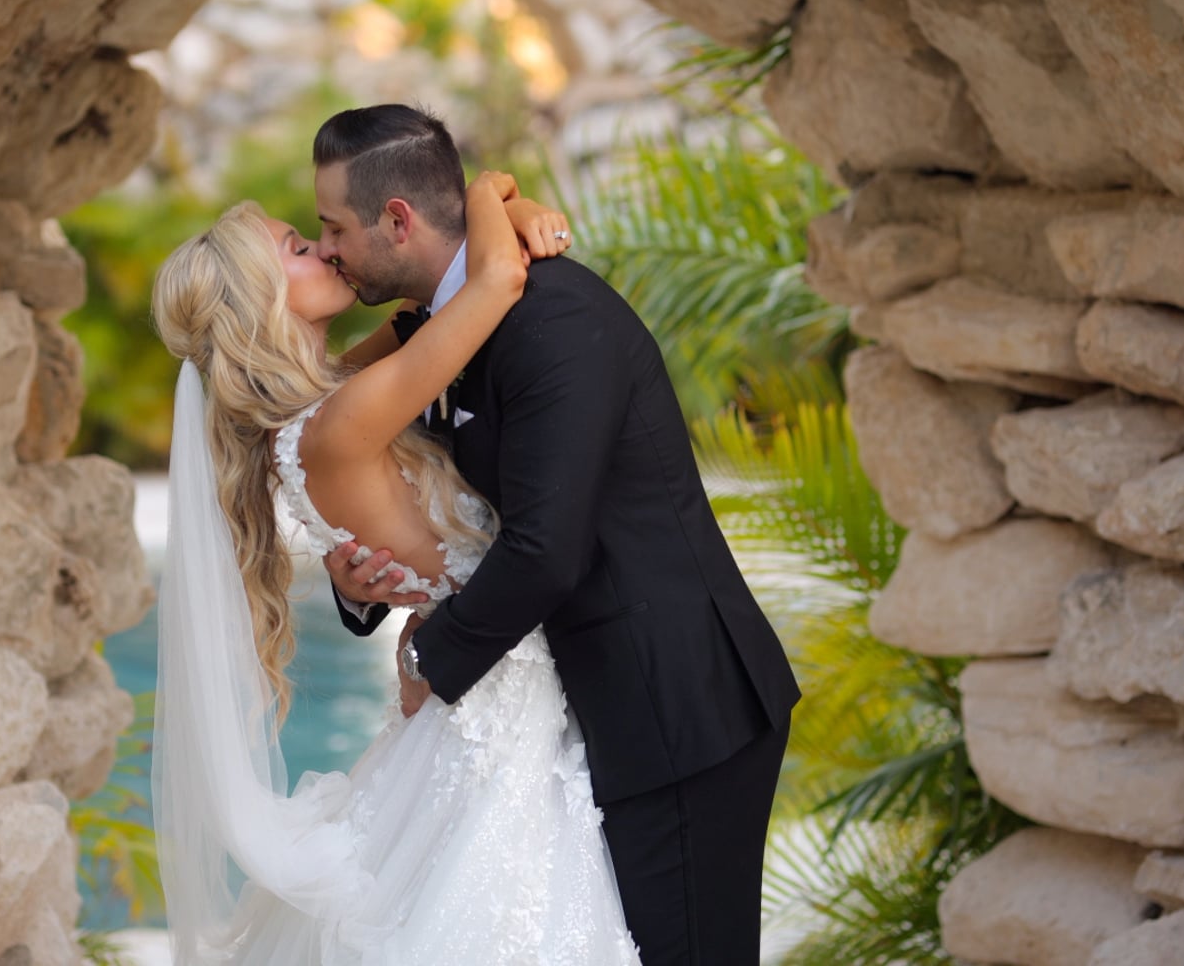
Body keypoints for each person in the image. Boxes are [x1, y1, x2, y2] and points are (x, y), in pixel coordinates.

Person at [316, 105, 801, 965]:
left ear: (397, 221)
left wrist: (432, 662)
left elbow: (546, 546)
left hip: (675, 709)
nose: (329, 251)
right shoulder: (442, 323)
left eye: (335, 228)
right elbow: (418, 499)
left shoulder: (553, 321)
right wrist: (358, 589)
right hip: (582, 709)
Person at [150, 165, 640, 964]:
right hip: (498, 699)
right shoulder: (339, 421)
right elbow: (490, 286)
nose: (329, 253)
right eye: (301, 247)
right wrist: (492, 191)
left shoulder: (325, 405)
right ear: (264, 302)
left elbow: (423, 307)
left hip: (476, 690)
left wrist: (520, 208)